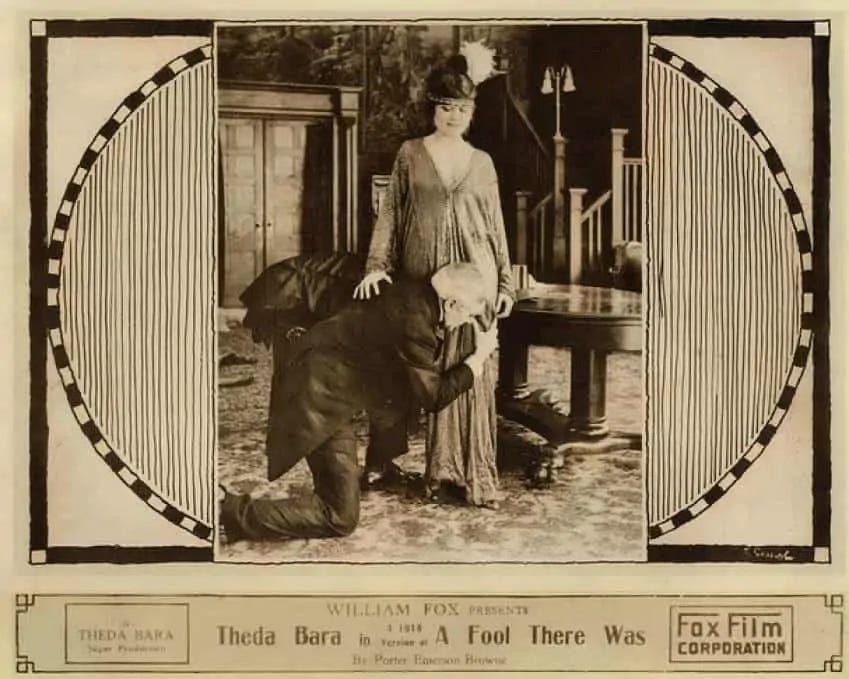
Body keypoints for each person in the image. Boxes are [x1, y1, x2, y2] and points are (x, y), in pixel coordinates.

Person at [219, 262, 499, 542]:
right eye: (469, 316)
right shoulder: (417, 324)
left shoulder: (407, 287)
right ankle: (229, 512)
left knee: (342, 493)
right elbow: (434, 397)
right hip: (317, 396)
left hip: (323, 379)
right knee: (340, 517)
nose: (467, 324)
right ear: (452, 304)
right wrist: (476, 362)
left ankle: (230, 510)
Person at [354, 54, 514, 508]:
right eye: (445, 107)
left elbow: (495, 225)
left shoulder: (482, 162)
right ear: (433, 108)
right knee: (419, 371)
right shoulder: (410, 153)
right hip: (421, 278)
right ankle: (420, 468)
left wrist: (503, 284)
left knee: (472, 370)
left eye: (461, 109)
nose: (453, 116)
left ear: (471, 113)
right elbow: (390, 213)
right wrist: (375, 265)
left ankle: (471, 474)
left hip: (471, 280)